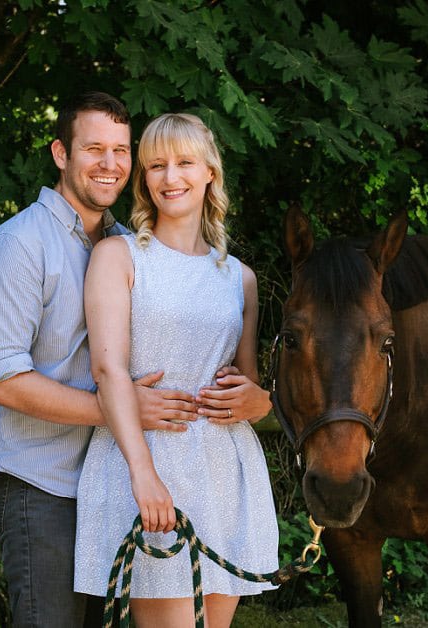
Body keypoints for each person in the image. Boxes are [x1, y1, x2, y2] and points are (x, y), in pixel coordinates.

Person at [0, 93, 271, 627]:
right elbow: (1, 379)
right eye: (93, 149)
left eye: (120, 150)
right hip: (45, 479)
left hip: (124, 465)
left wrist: (259, 398)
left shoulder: (126, 243)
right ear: (61, 154)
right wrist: (123, 412)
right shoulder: (20, 244)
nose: (109, 163)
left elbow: (229, 368)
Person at [73, 113, 279, 628]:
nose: (170, 177)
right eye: (156, 166)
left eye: (184, 162)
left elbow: (246, 384)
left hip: (225, 472)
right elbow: (108, 371)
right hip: (146, 465)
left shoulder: (240, 279)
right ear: (144, 179)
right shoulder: (117, 256)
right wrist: (145, 478)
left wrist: (262, 401)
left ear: (210, 171)